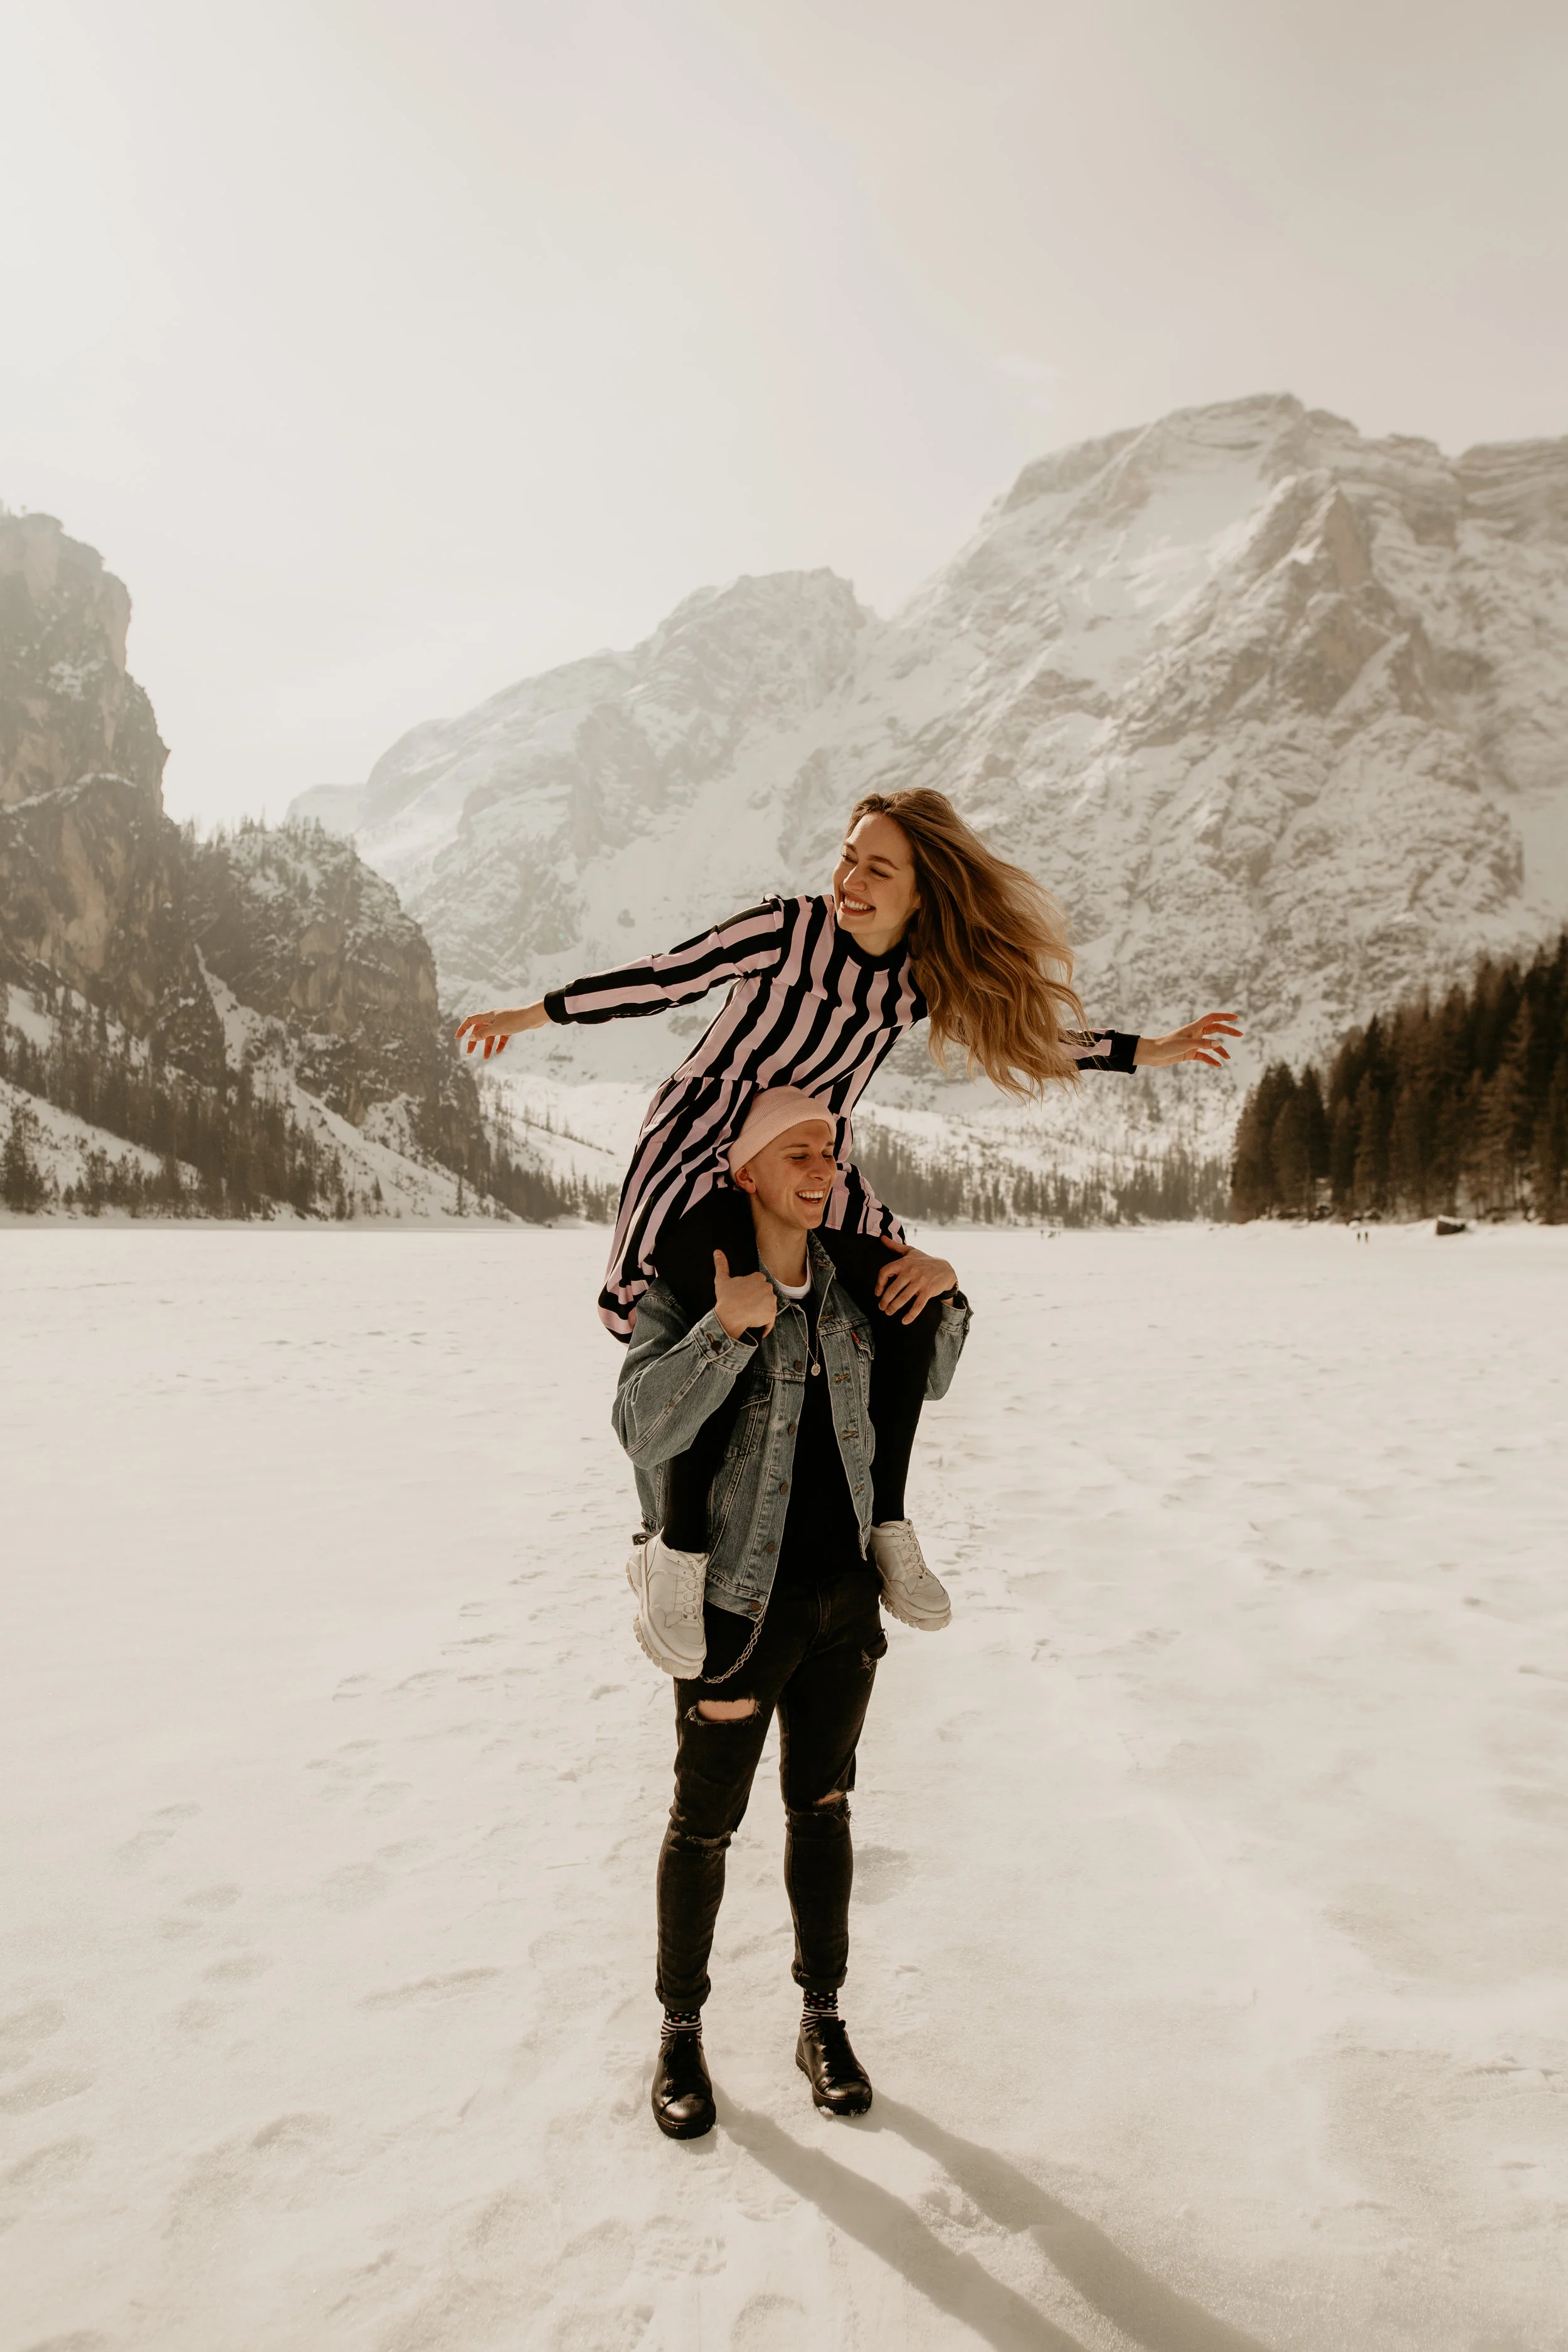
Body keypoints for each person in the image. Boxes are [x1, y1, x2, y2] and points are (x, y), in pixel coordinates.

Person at [455, 788, 1240, 1652]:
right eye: (848, 855)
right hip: (708, 1151)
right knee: (724, 1306)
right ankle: (673, 1550)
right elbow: (663, 977)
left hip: (812, 1166)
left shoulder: (917, 980)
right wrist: (531, 1014)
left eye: (878, 866)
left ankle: (889, 1525)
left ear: (920, 892)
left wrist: (1146, 1050)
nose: (850, 879)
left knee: (916, 1300)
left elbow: (1015, 1037)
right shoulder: (784, 931)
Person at [611, 1091, 973, 2139]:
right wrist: (724, 1336)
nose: (822, 1165)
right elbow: (641, 1425)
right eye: (798, 1150)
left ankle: (822, 2017)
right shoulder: (690, 1286)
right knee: (704, 1824)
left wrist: (947, 1291)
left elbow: (929, 1379)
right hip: (736, 1608)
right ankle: (681, 2032)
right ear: (749, 1171)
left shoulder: (853, 1289)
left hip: (845, 1605)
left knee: (823, 1811)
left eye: (831, 1149)